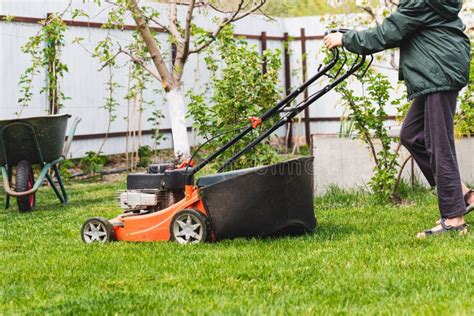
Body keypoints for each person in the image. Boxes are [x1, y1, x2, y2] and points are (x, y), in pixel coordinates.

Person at [323, 0, 472, 237]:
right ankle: (462, 194)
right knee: (411, 135)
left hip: (437, 72)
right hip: (436, 71)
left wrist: (347, 39)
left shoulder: (422, 1)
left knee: (438, 144)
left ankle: (454, 219)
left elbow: (388, 33)